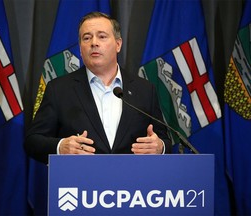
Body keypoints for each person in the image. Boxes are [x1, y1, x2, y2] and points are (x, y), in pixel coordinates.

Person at [24, 11, 172, 164]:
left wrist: (159, 147)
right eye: (87, 38)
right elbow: (33, 142)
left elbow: (165, 141)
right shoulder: (59, 89)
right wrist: (60, 147)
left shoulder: (145, 90)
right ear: (81, 49)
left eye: (102, 36)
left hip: (134, 183)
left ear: (118, 44)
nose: (94, 43)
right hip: (80, 183)